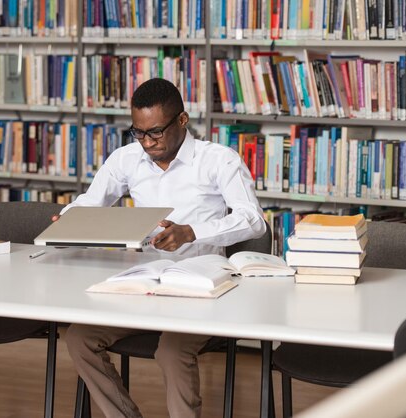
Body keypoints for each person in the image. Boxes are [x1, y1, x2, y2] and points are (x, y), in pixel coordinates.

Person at [63, 78, 266, 418]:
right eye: (138, 133)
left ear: (182, 120)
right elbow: (91, 202)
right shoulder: (126, 158)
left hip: (200, 286)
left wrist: (192, 233)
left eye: (155, 132)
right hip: (144, 281)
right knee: (78, 338)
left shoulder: (217, 160)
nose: (147, 142)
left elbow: (253, 220)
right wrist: (69, 218)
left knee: (171, 352)